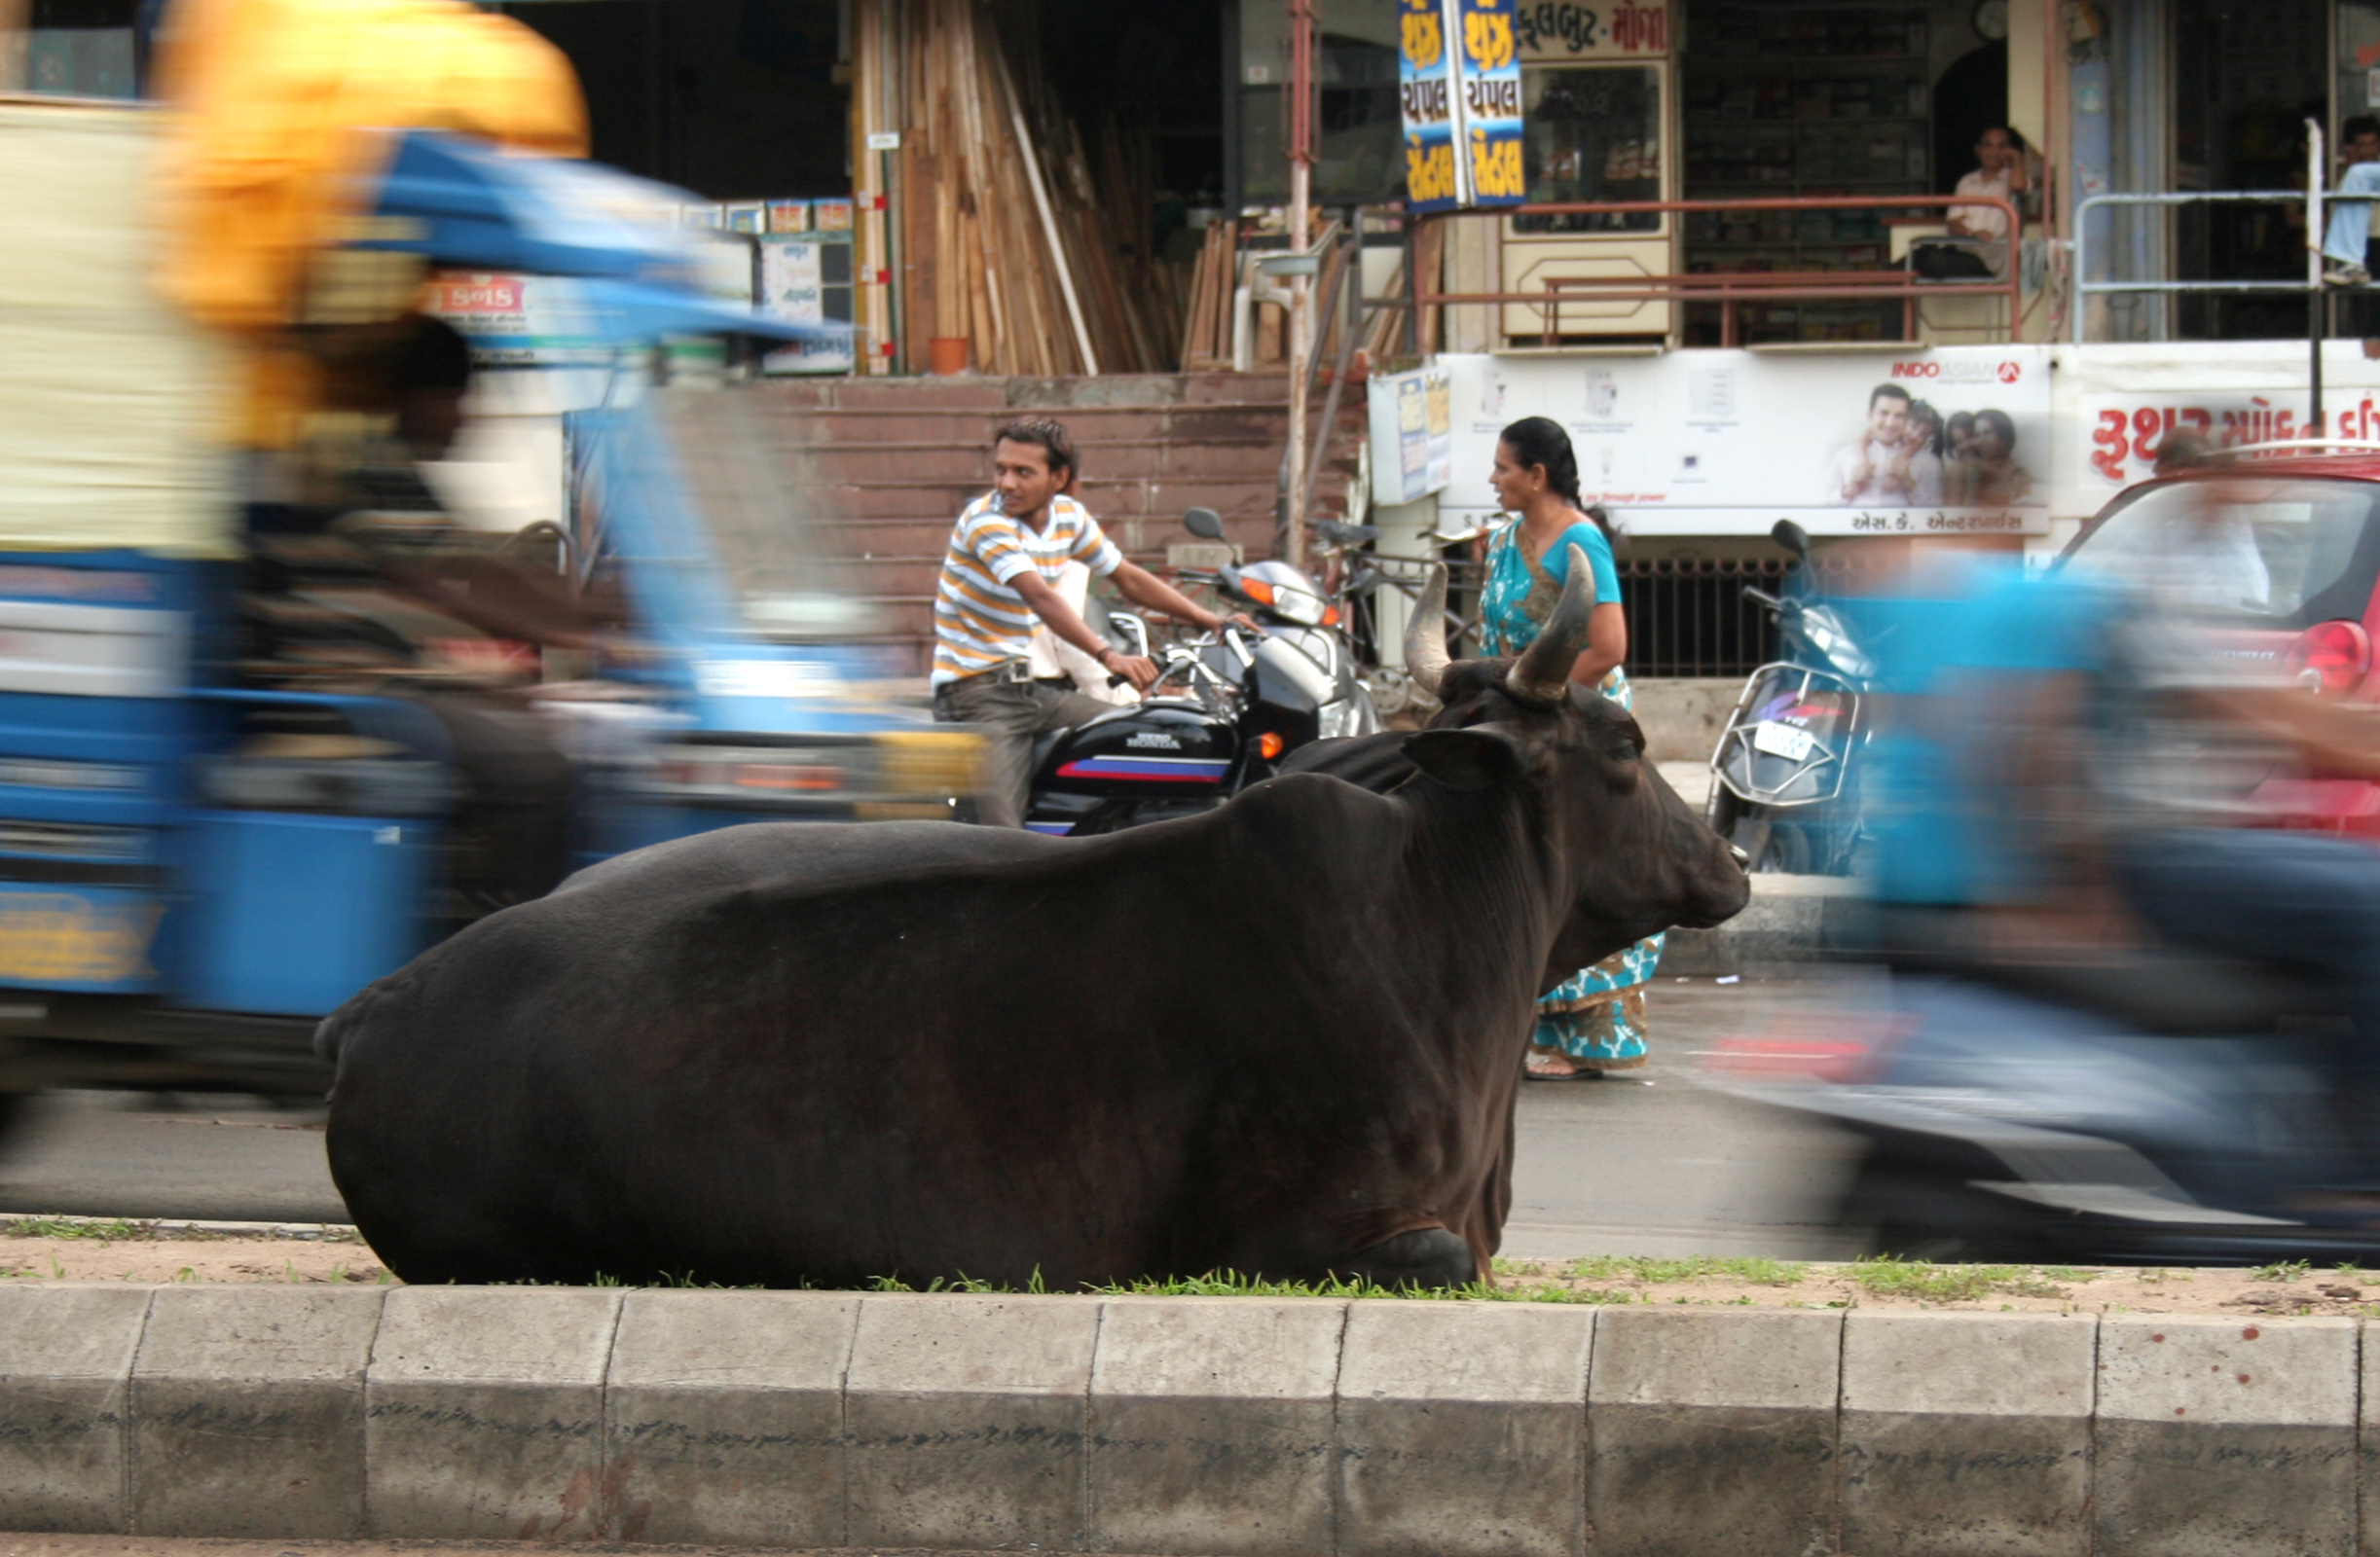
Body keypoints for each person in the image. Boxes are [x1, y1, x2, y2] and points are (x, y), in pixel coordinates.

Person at [930, 418, 1243, 827]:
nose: (1007, 483)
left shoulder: (1069, 518)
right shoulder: (986, 522)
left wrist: (1209, 620)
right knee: (1002, 842)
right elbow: (1041, 597)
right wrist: (1108, 655)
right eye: (1001, 469)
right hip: (978, 693)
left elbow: (1126, 576)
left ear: (1058, 478)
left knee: (1142, 737)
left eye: (1023, 472)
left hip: (1036, 692)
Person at [1481, 416, 1655, 1078]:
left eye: (1501, 468)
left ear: (1536, 475)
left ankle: (1585, 1037)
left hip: (1576, 725)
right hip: (1518, 718)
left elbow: (1606, 647)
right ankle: (1532, 1020)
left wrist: (1541, 698)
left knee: (1580, 865)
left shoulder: (1580, 542)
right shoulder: (1506, 539)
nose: (1493, 479)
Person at [1823, 384, 1942, 506]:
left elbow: (1937, 512)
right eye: (1884, 413)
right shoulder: (1845, 455)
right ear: (1870, 415)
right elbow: (1822, 507)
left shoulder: (1928, 462)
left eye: (1899, 416)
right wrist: (1847, 491)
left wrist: (1909, 482)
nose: (1890, 423)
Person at [1944, 126, 2030, 279]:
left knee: (1930, 259)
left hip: (1990, 261)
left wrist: (2017, 158)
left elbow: (2019, 186)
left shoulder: (2014, 178)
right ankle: (1889, 280)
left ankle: (1888, 283)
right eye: (1988, 145)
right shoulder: (1967, 181)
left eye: (2002, 146)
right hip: (1964, 252)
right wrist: (1973, 234)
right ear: (1978, 149)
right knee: (1921, 254)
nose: (1994, 152)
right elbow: (1952, 223)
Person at [2323, 115, 2380, 286]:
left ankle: (2352, 263)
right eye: (2363, 145)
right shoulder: (2351, 176)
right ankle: (2352, 263)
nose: (2369, 151)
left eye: (2373, 144)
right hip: (2367, 243)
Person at [1963, 409, 2032, 505]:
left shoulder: (2018, 474)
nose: (1981, 440)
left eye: (1988, 433)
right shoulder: (1969, 471)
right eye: (1977, 435)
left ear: (2003, 436)